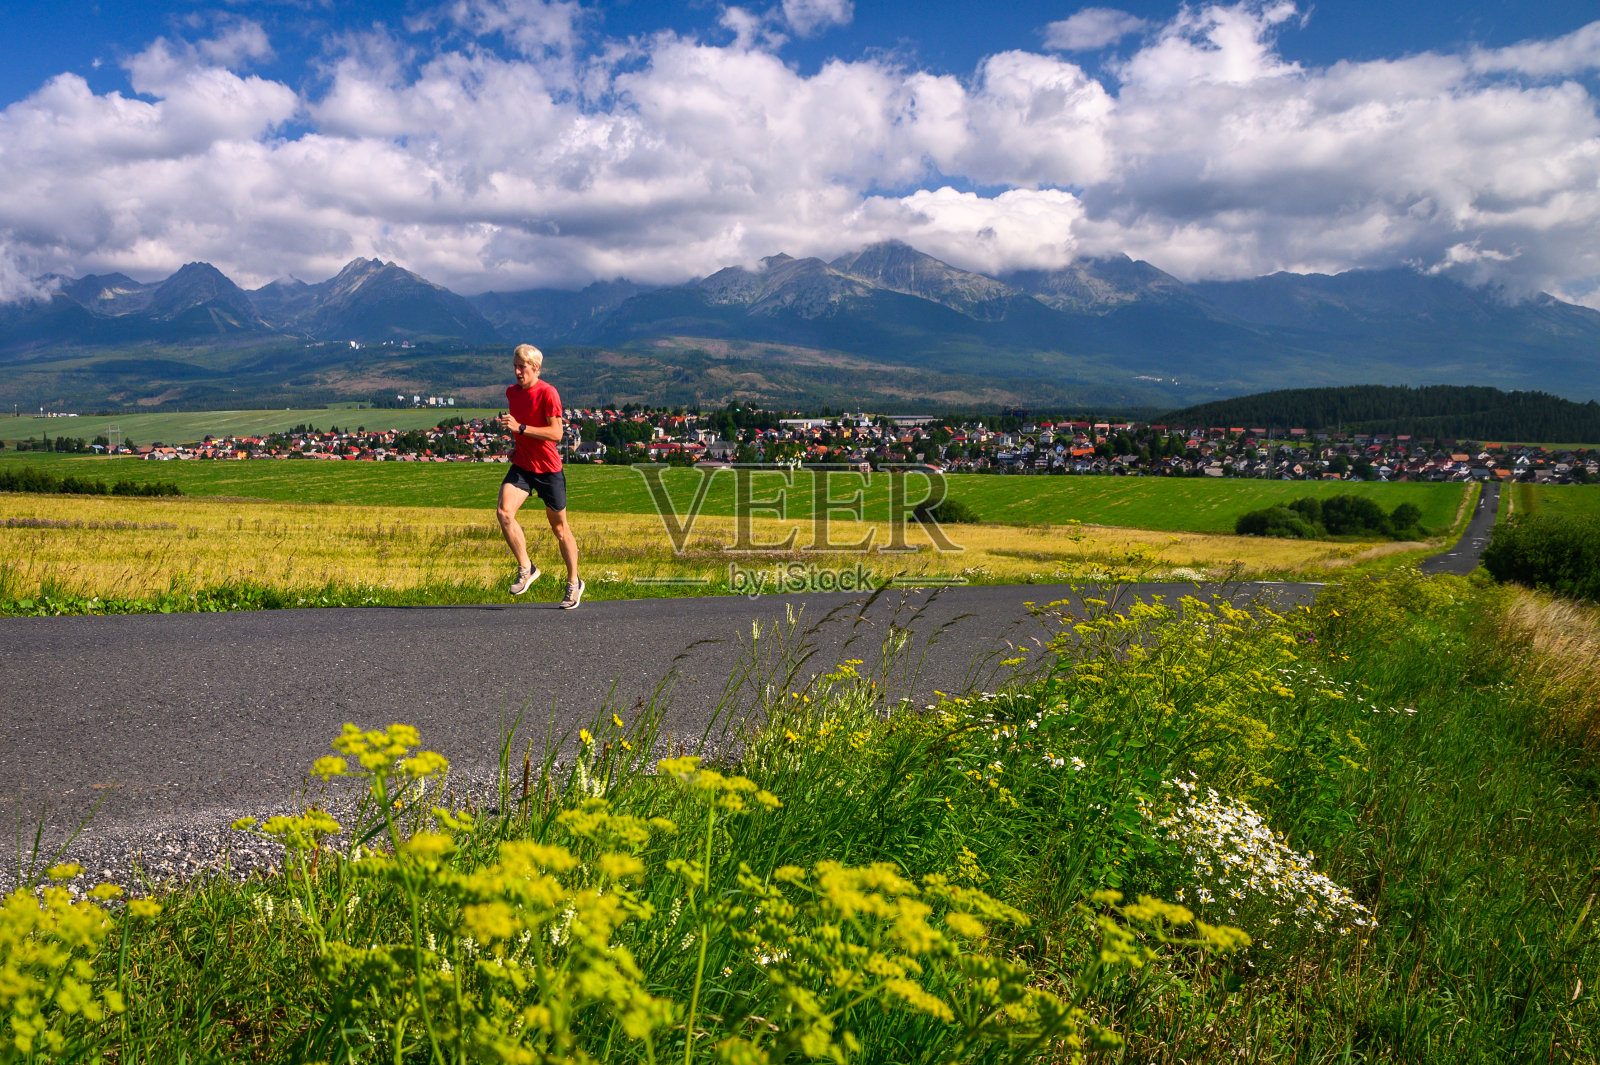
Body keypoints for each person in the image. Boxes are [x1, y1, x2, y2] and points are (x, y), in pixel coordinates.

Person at [494, 344, 584, 609]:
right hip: (523, 465)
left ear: (536, 368)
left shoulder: (548, 393)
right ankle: (527, 568)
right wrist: (517, 446)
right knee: (504, 513)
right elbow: (523, 429)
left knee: (559, 529)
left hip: (548, 469)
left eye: (522, 367)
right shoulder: (512, 393)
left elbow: (556, 434)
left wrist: (520, 428)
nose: (517, 372)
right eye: (515, 366)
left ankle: (574, 582)